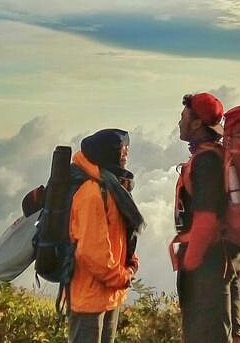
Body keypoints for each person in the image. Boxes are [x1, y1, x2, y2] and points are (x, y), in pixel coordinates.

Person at [171, 92, 240, 343]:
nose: (179, 122)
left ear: (196, 123)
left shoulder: (206, 162)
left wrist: (190, 264)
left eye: (183, 117)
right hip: (223, 259)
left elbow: (207, 219)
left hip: (208, 266)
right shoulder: (216, 156)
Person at [67, 128, 144, 343]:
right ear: (109, 154)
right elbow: (91, 252)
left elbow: (117, 234)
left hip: (107, 291)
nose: (126, 154)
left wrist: (129, 262)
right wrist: (121, 276)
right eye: (122, 150)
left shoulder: (110, 185)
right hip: (90, 296)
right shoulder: (91, 191)